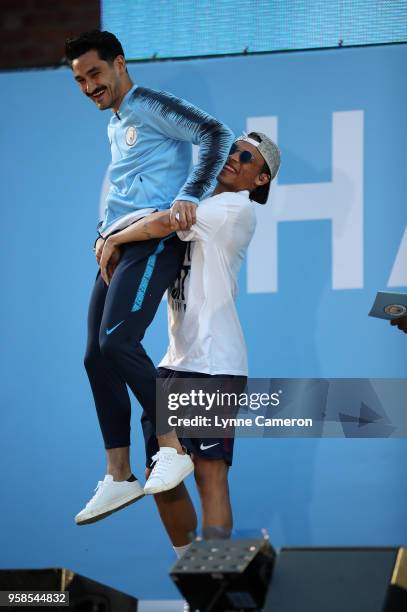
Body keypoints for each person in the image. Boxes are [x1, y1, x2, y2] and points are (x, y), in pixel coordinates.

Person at [64, 30, 234, 525]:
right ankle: (118, 476)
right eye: (79, 80)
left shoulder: (147, 102)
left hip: (153, 237)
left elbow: (215, 133)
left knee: (119, 341)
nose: (89, 86)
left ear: (119, 63)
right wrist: (106, 235)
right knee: (96, 355)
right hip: (119, 241)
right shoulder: (115, 123)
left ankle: (170, 444)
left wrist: (190, 195)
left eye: (95, 73)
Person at [99, 132, 280, 555]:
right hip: (175, 360)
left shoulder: (234, 209)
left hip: (214, 362)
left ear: (260, 179)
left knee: (208, 475)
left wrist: (113, 238)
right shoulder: (202, 200)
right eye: (231, 149)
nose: (232, 157)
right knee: (162, 475)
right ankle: (194, 576)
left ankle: (213, 579)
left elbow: (163, 223)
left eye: (245, 157)